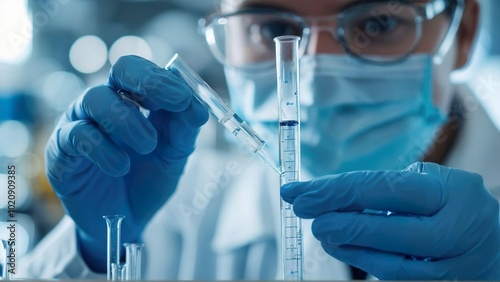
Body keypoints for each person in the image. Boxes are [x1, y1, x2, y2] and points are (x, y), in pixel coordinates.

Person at [17, 0, 500, 280]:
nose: (311, 76)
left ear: (465, 31)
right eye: (272, 28)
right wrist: (98, 252)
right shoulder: (178, 211)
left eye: (377, 22)